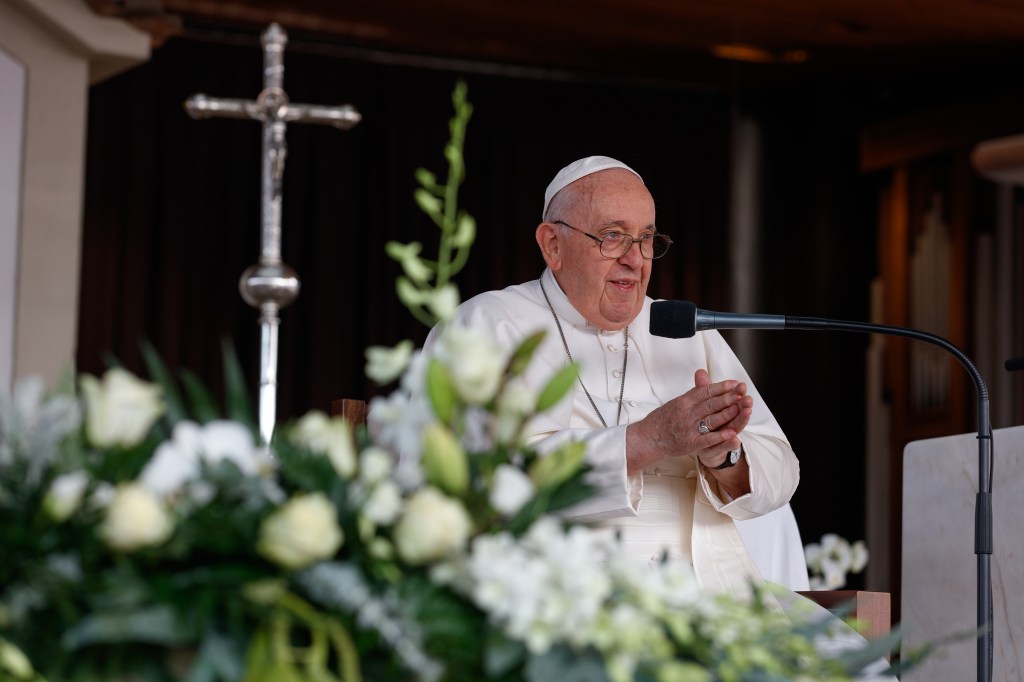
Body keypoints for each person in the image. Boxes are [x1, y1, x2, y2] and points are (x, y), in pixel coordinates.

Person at [422, 155, 808, 596]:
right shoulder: (487, 324)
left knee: (850, 665)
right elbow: (474, 482)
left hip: (712, 590)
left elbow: (781, 468)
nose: (635, 259)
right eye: (613, 237)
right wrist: (646, 441)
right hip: (560, 595)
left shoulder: (679, 330)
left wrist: (727, 460)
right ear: (552, 245)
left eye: (646, 239)